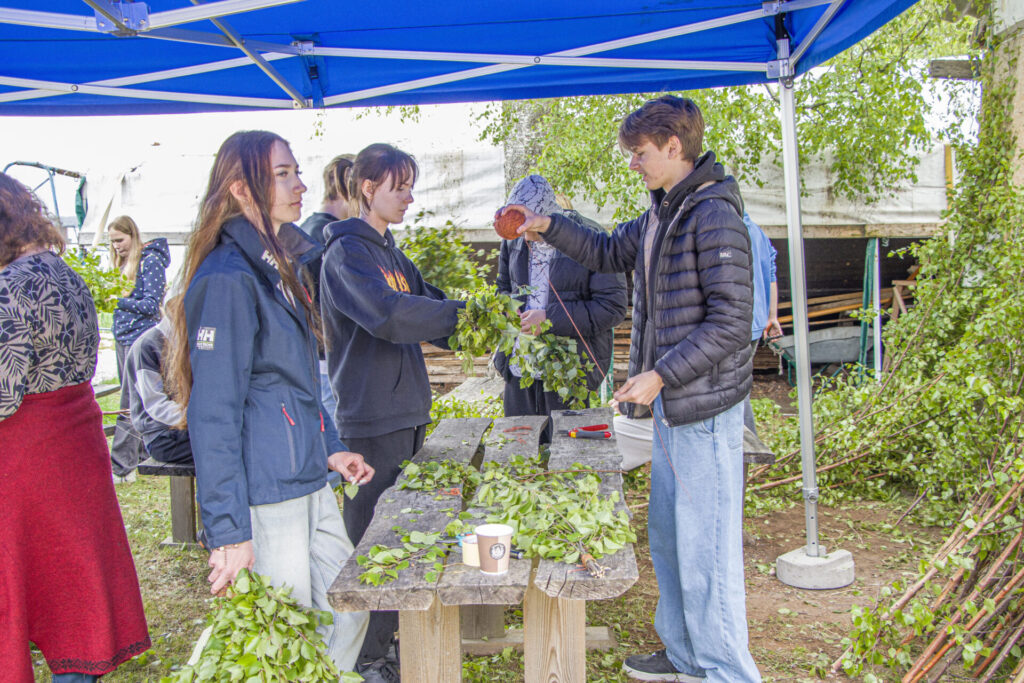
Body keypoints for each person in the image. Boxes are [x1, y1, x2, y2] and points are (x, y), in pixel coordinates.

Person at [505, 95, 759, 682]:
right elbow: (605, 250)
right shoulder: (663, 211)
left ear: (674, 146)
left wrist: (662, 372)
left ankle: (725, 671)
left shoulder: (712, 214)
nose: (633, 163)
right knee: (668, 537)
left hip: (702, 407)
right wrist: (546, 226)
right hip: (672, 407)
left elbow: (731, 322)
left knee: (706, 550)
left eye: (640, 152)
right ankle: (685, 656)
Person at [163, 130, 372, 673]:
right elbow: (213, 413)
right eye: (283, 175)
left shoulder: (281, 267)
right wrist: (229, 533)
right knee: (282, 636)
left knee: (349, 607)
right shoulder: (228, 278)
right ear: (240, 189)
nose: (299, 185)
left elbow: (297, 381)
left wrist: (330, 446)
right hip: (265, 489)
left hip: (310, 477)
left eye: (296, 172)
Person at [320, 142, 465, 680]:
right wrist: (459, 315)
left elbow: (433, 306)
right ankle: (363, 658)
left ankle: (387, 642)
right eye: (398, 187)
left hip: (408, 412)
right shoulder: (346, 255)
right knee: (371, 542)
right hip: (370, 417)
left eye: (410, 187)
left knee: (403, 533)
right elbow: (390, 315)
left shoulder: (393, 256)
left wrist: (489, 320)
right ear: (367, 188)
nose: (408, 197)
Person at [0, 173, 150, 682]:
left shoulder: (8, 287)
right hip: (75, 445)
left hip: (27, 457)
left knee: (29, 580)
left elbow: (3, 392)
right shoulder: (65, 274)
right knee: (73, 585)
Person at [493, 174, 626, 438]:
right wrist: (507, 307)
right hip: (520, 368)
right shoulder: (514, 239)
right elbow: (503, 286)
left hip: (569, 371)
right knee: (519, 447)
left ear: (545, 216)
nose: (526, 238)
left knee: (567, 449)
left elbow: (612, 307)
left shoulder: (590, 237)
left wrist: (549, 319)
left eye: (531, 229)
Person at [108, 214, 169, 483]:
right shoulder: (121, 263)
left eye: (120, 240)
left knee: (129, 403)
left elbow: (151, 305)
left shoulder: (150, 262)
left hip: (140, 339)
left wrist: (117, 301)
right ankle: (142, 455)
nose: (116, 246)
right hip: (123, 337)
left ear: (133, 235)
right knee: (136, 400)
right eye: (112, 242)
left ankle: (121, 466)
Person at [300, 154, 356, 424]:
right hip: (327, 362)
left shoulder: (306, 229)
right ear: (348, 190)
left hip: (317, 359)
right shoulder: (328, 236)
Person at [124, 318, 192, 465]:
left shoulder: (192, 338)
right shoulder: (147, 345)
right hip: (163, 437)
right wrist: (200, 419)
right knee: (225, 446)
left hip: (190, 429)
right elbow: (156, 406)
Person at [742, 211, 781, 436]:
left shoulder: (729, 229)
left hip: (737, 324)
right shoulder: (757, 231)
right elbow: (771, 272)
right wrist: (771, 316)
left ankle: (748, 442)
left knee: (734, 388)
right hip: (755, 322)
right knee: (740, 385)